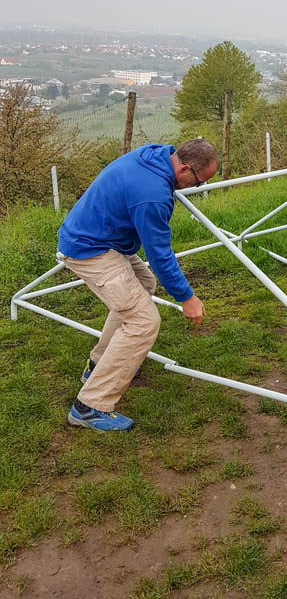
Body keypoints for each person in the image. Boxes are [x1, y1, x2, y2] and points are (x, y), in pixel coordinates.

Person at [57, 139, 218, 432]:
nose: (195, 188)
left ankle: (99, 365)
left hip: (102, 238)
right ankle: (90, 406)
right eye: (197, 181)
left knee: (143, 284)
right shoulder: (153, 194)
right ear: (183, 167)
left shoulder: (157, 154)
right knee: (143, 321)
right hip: (89, 248)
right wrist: (187, 297)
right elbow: (159, 254)